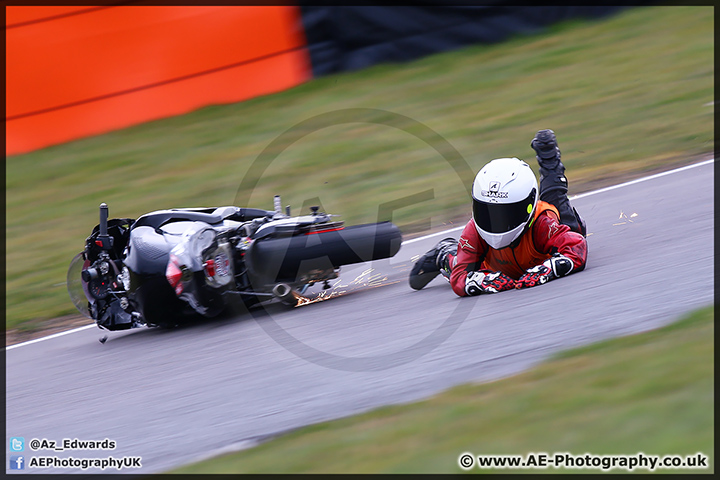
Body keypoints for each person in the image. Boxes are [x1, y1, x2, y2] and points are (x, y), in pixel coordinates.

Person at [409, 129, 588, 296]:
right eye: (487, 212)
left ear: (528, 207)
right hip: (491, 267)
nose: (496, 223)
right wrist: (483, 280)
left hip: (543, 249)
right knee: (455, 263)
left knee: (572, 226)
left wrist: (549, 269)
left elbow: (576, 246)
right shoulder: (474, 229)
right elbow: (459, 278)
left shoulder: (541, 223)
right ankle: (444, 251)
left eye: (506, 213)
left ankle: (549, 159)